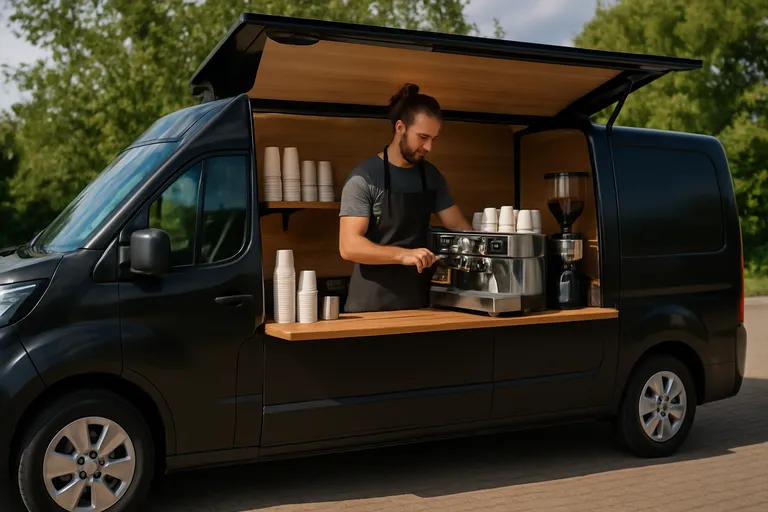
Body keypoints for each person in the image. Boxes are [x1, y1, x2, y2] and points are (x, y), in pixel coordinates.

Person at [338, 83, 472, 313]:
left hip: (418, 303)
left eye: (434, 138)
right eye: (422, 137)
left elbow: (458, 226)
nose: (428, 146)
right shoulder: (365, 177)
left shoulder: (430, 176)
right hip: (370, 307)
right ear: (400, 128)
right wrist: (403, 255)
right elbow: (349, 246)